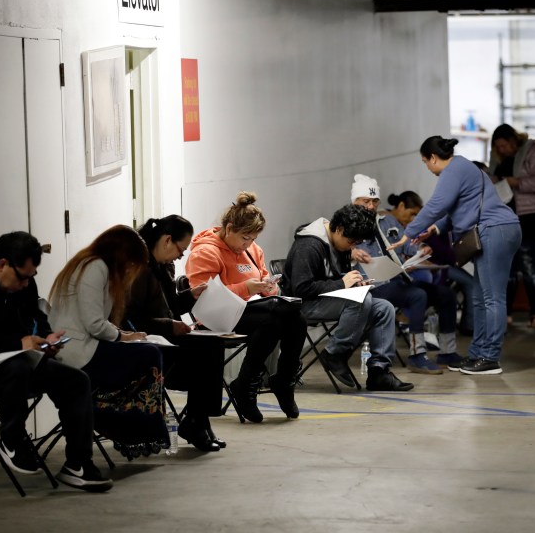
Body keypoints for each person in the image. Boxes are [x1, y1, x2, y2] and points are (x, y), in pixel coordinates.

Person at [0, 232, 112, 492]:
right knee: (17, 368)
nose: (26, 285)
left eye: (31, 277)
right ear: (2, 264)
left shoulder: (24, 283)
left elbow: (35, 314)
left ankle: (78, 464)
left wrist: (46, 337)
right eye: (22, 277)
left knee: (76, 381)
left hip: (15, 365)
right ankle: (12, 439)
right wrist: (18, 344)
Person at [390, 136, 521, 376]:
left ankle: (490, 357)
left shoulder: (453, 169)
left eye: (425, 162)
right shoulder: (463, 167)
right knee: (481, 297)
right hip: (494, 231)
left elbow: (437, 204)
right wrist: (433, 228)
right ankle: (479, 352)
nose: (427, 168)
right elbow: (456, 208)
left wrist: (408, 232)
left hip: (495, 230)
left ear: (433, 158)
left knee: (492, 298)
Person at [49, 225, 168, 460]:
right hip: (77, 352)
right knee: (150, 355)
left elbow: (96, 321)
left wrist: (123, 334)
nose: (131, 270)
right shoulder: (96, 267)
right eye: (132, 263)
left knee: (148, 352)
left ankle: (123, 422)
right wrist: (123, 337)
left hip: (82, 345)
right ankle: (120, 422)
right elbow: (94, 323)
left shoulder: (90, 264)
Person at [185, 192, 306, 422]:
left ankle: (284, 379)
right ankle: (247, 383)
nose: (248, 245)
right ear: (229, 229)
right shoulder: (206, 252)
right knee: (273, 320)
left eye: (252, 239)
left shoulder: (253, 250)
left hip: (252, 310)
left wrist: (268, 288)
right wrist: (246, 288)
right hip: (215, 316)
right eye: (244, 238)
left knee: (296, 319)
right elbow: (203, 300)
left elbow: (261, 277)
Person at [281, 204, 413, 392]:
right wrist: (343, 284)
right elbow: (301, 289)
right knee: (360, 300)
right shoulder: (309, 245)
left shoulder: (339, 242)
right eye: (351, 241)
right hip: (302, 305)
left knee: (384, 308)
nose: (353, 247)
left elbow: (338, 278)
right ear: (339, 229)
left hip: (329, 299)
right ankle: (335, 353)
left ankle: (379, 372)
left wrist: (355, 284)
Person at [125, 215, 227, 451]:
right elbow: (132, 320)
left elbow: (171, 306)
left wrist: (191, 296)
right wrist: (170, 325)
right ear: (167, 240)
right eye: (181, 250)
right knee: (205, 352)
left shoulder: (162, 266)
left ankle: (198, 419)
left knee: (214, 343)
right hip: (148, 341)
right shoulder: (137, 270)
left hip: (166, 334)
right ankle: (197, 421)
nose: (181, 256)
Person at [351, 182, 463, 372]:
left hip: (397, 278)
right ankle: (417, 355)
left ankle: (447, 352)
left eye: (374, 201)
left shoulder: (388, 221)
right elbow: (334, 246)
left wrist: (420, 250)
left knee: (446, 295)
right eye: (365, 201)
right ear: (354, 201)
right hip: (370, 284)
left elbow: (406, 243)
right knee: (417, 295)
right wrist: (350, 252)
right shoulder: (347, 223)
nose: (370, 206)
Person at [489, 124, 535, 329]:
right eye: (498, 147)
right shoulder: (497, 158)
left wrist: (517, 182)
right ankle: (507, 314)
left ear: (514, 141)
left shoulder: (533, 152)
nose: (502, 150)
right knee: (507, 268)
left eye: (505, 145)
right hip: (505, 217)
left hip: (528, 217)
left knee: (529, 266)